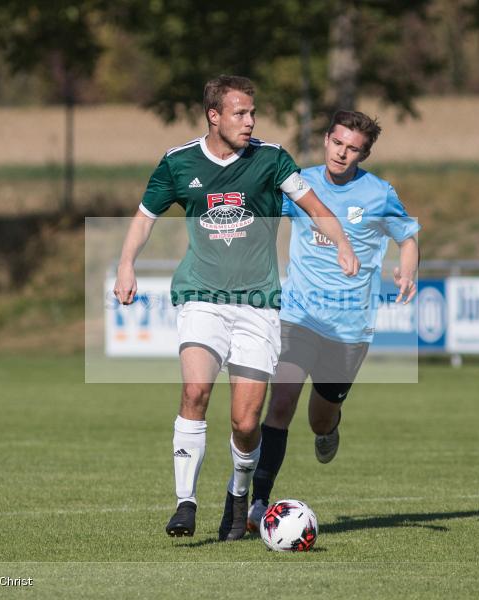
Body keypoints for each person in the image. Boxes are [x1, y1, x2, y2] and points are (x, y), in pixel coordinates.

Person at [112, 75, 360, 541]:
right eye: (240, 113)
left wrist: (342, 242)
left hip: (258, 305)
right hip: (201, 296)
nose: (250, 121)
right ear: (214, 116)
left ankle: (240, 491)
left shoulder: (271, 159)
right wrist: (126, 264)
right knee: (195, 392)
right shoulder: (177, 163)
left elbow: (313, 203)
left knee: (246, 423)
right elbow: (144, 219)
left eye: (252, 112)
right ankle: (185, 502)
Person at [247, 110, 421, 531]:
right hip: (298, 314)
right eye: (338, 143)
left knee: (319, 419)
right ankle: (259, 501)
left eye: (354, 149)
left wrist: (407, 268)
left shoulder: (379, 194)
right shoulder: (299, 183)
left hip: (348, 326)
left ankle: (330, 427)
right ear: (326, 140)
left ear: (364, 154)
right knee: (281, 401)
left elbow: (407, 236)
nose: (343, 154)